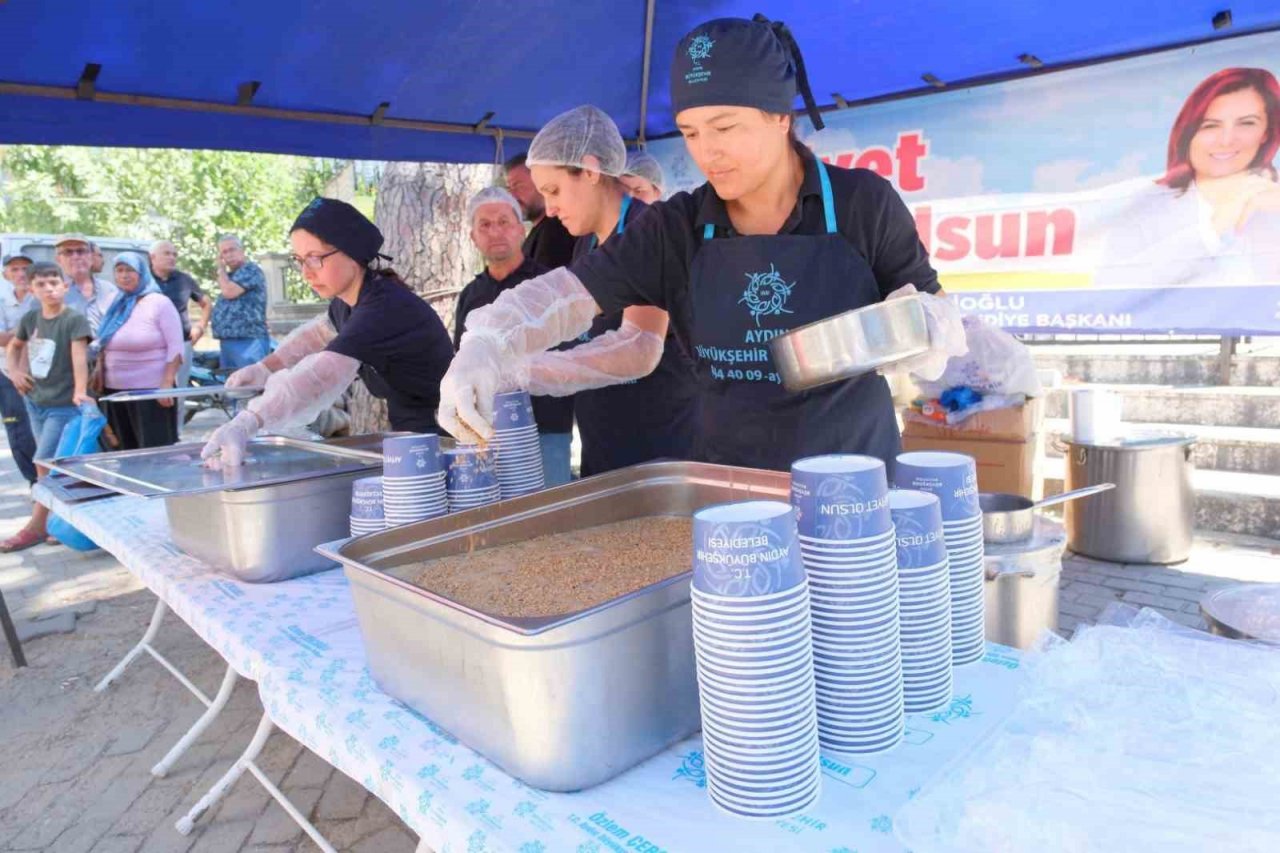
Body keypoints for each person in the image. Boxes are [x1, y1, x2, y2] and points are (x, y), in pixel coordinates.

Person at [439, 16, 960, 473]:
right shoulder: (677, 228)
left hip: (853, 479)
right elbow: (567, 295)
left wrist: (927, 327)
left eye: (725, 127)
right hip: (728, 487)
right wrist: (489, 345)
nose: (707, 152)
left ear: (780, 116)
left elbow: (929, 305)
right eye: (689, 132)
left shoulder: (861, 204)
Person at [202, 198, 455, 467]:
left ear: (352, 252)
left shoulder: (384, 307)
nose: (305, 273)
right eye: (299, 260)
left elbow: (320, 375)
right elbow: (316, 335)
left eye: (315, 258)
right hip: (412, 427)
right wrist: (265, 368)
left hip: (447, 432)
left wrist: (249, 421)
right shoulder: (348, 302)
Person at [522, 105, 699, 476]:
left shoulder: (646, 230)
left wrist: (528, 371)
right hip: (604, 445)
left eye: (554, 191)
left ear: (589, 169)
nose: (550, 210)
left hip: (659, 450)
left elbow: (637, 348)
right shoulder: (586, 243)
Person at [1096, 67, 1280, 287]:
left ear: (1266, 133)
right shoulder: (1145, 206)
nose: (1226, 140)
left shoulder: (1272, 202)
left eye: (1247, 123)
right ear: (1189, 133)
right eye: (1210, 125)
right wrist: (1215, 227)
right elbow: (1112, 290)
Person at [454, 187, 575, 486]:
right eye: (485, 224)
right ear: (473, 237)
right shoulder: (471, 295)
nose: (496, 231)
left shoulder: (548, 284)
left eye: (504, 222)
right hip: (488, 430)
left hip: (544, 427)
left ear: (521, 230)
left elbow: (568, 354)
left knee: (547, 518)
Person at [3, 263, 91, 552]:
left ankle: (38, 526)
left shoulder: (74, 320)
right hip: (36, 402)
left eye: (54, 282)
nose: (49, 288)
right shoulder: (31, 318)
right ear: (31, 289)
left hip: (63, 405)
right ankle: (56, 520)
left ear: (65, 285)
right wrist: (14, 373)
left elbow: (79, 358)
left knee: (44, 463)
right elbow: (15, 346)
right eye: (41, 284)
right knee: (51, 465)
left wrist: (79, 391)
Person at [96, 253, 184, 450]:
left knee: (156, 451)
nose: (124, 275)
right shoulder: (113, 302)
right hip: (115, 391)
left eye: (130, 270)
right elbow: (102, 341)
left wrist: (167, 384)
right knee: (125, 451)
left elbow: (176, 347)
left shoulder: (159, 303)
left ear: (142, 273)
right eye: (119, 270)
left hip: (151, 392)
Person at [150, 240, 212, 395]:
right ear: (153, 257)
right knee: (153, 392)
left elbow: (206, 303)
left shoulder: (183, 280)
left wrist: (200, 327)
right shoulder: (143, 280)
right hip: (151, 347)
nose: (172, 258)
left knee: (179, 393)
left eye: (174, 254)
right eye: (167, 253)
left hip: (181, 344)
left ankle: (178, 420)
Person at [0, 254, 38, 485]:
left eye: (25, 268)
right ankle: (34, 481)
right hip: (8, 374)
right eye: (15, 269)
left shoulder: (41, 297)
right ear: (6, 275)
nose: (21, 273)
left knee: (44, 430)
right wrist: (28, 329)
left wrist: (14, 333)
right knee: (18, 431)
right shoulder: (2, 302)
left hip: (44, 376)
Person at [505, 153, 577, 270]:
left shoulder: (556, 230)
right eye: (509, 188)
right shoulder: (540, 229)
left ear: (540, 184)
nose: (512, 195)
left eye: (518, 186)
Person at [210, 234, 271, 370]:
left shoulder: (250, 270)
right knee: (232, 387)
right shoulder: (229, 276)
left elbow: (229, 292)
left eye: (232, 249)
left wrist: (220, 269)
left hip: (248, 340)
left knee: (251, 386)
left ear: (242, 251)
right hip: (229, 340)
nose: (229, 255)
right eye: (224, 252)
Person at [55, 234, 119, 337]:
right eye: (68, 252)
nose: (75, 257)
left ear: (90, 256)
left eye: (81, 251)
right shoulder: (51, 292)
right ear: (58, 259)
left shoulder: (109, 290)